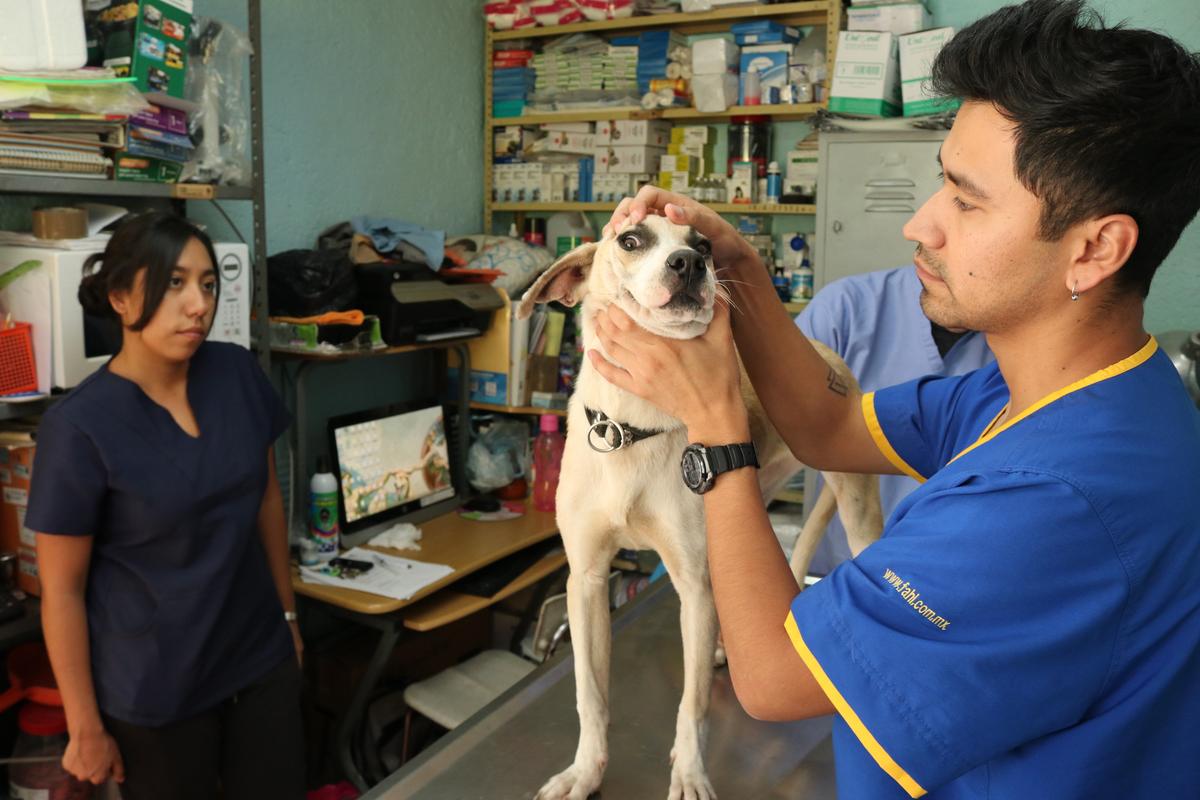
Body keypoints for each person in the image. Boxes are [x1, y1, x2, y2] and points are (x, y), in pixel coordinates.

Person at [591, 1, 1200, 797]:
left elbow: (772, 679)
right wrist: (734, 266)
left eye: (966, 200)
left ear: (1094, 249)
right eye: (938, 184)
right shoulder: (1049, 396)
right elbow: (830, 421)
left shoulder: (1057, 500)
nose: (922, 225)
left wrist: (715, 427)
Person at [26, 212, 305, 799]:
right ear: (122, 297)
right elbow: (62, 591)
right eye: (174, 283)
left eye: (207, 284)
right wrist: (85, 727)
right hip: (158, 694)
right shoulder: (78, 429)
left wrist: (287, 618)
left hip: (258, 661)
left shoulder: (234, 372)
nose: (197, 304)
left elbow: (266, 498)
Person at [795, 267, 993, 574]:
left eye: (971, 214)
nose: (921, 230)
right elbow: (767, 416)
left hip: (955, 585)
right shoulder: (846, 307)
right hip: (836, 572)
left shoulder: (1030, 345)